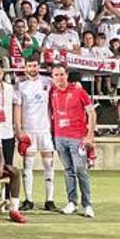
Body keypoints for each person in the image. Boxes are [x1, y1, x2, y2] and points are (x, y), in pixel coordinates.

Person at [48, 64, 96, 218]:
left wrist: (90, 135)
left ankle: (87, 204)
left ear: (67, 75)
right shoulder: (52, 92)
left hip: (77, 137)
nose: (59, 78)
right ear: (52, 77)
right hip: (59, 137)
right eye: (56, 75)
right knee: (68, 170)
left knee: (81, 170)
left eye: (62, 74)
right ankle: (72, 202)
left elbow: (91, 113)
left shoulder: (79, 91)